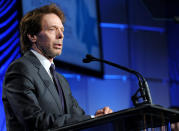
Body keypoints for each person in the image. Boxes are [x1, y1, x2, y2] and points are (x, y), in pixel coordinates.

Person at [2, 4, 112, 131]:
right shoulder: (20, 69)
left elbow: (79, 118)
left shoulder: (61, 81)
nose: (61, 35)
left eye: (62, 30)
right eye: (52, 29)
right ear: (32, 36)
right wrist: (90, 118)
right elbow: (35, 121)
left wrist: (99, 118)